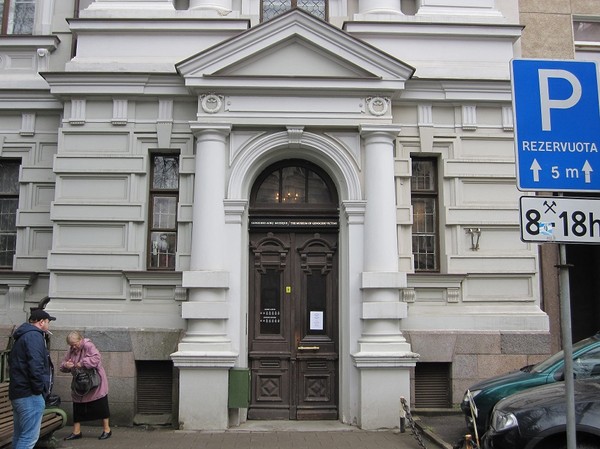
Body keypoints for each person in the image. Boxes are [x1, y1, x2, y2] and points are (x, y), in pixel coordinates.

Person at [8, 308, 56, 449]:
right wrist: (39, 390)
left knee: (20, 435)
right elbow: (36, 365)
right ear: (41, 322)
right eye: (48, 322)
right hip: (29, 394)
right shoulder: (34, 336)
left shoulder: (23, 335)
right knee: (28, 438)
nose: (49, 325)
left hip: (19, 392)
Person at [59, 331, 111, 440]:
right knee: (78, 406)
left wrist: (82, 362)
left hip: (94, 380)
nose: (73, 346)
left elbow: (97, 358)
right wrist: (66, 365)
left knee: (100, 404)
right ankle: (76, 431)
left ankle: (107, 429)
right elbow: (63, 365)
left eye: (75, 343)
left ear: (80, 339)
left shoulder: (88, 345)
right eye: (71, 345)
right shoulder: (71, 349)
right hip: (80, 383)